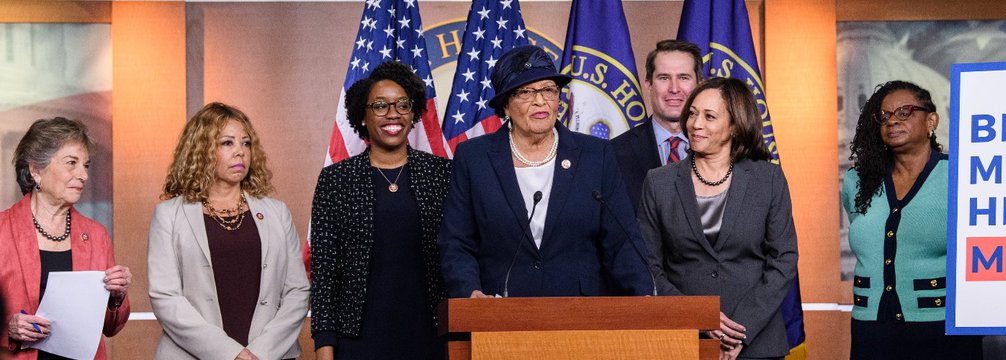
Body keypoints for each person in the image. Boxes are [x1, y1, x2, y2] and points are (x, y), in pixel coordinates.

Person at [439, 45, 653, 299]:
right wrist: (470, 292)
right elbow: (456, 241)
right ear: (505, 106)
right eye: (526, 92)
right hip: (500, 314)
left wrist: (644, 296)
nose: (540, 101)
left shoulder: (596, 155)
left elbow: (622, 240)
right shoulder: (473, 158)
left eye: (549, 90)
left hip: (581, 315)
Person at [638, 77, 798, 360]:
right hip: (683, 340)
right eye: (692, 113)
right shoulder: (658, 182)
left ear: (735, 125)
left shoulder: (768, 179)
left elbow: (783, 260)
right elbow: (648, 266)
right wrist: (699, 316)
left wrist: (740, 329)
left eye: (709, 116)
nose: (695, 124)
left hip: (757, 342)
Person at [310, 61, 451, 360]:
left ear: (413, 113)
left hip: (429, 335)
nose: (393, 114)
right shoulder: (337, 180)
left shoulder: (441, 174)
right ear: (362, 115)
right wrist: (324, 347)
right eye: (380, 106)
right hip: (359, 340)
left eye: (402, 104)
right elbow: (325, 275)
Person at [147, 103, 309, 360]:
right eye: (227, 143)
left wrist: (258, 354)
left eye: (246, 144)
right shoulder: (169, 215)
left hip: (270, 355)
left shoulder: (277, 212)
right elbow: (166, 297)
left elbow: (297, 291)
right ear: (200, 150)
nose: (240, 153)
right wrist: (230, 354)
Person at [842, 80, 981, 359]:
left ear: (932, 120)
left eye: (904, 112)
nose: (892, 121)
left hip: (943, 329)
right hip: (871, 330)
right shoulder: (857, 180)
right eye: (884, 116)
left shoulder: (961, 175)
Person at [1, 118, 131, 360]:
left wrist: (117, 296)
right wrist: (7, 328)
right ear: (35, 170)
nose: (82, 175)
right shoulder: (2, 231)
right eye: (71, 163)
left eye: (86, 165)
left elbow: (111, 328)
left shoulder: (96, 235)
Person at [612, 40, 702, 211]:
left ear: (699, 84)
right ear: (649, 84)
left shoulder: (725, 151)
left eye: (684, 77)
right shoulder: (615, 153)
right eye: (664, 78)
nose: (674, 88)